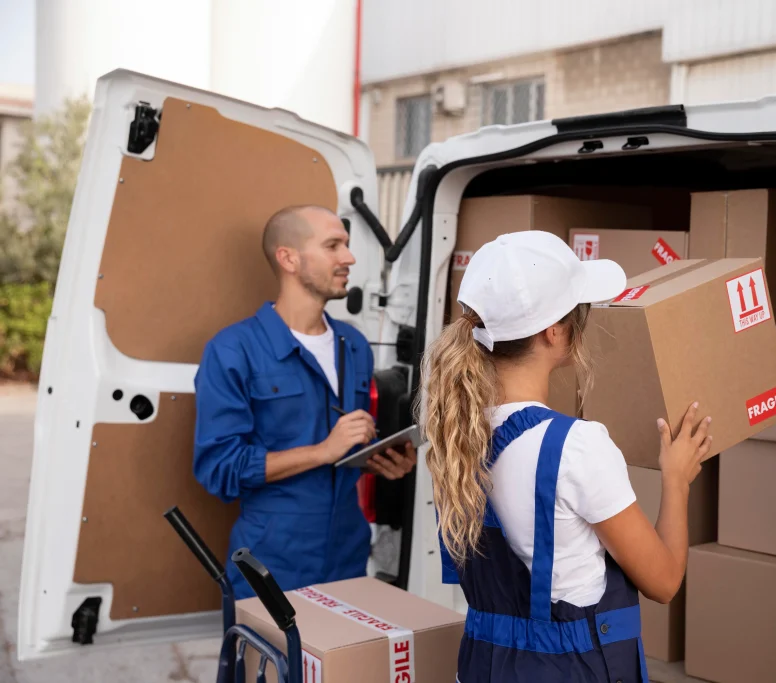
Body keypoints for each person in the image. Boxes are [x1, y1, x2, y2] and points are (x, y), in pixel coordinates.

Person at [419, 231, 713, 683]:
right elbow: (664, 581)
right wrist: (677, 480)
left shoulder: (455, 435)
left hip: (481, 669)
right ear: (554, 331)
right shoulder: (576, 446)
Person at [193, 205, 417, 599]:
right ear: (289, 258)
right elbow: (219, 468)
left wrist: (382, 462)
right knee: (273, 662)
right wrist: (322, 451)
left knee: (345, 660)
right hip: (272, 562)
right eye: (333, 246)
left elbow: (347, 448)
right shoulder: (233, 351)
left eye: (346, 245)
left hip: (349, 555)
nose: (348, 258)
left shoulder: (355, 346)